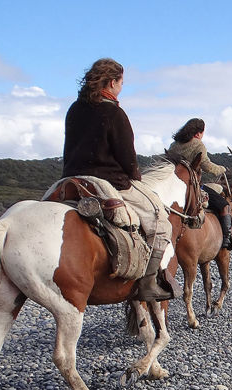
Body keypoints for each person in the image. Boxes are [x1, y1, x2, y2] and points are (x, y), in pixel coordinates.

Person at [62, 58, 181, 302]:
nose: (121, 87)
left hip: (71, 179)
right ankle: (148, 283)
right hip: (109, 180)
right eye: (121, 83)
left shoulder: (74, 109)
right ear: (112, 82)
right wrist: (135, 178)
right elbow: (127, 158)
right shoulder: (114, 112)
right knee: (161, 221)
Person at [166, 118, 232, 250]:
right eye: (203, 132)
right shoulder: (198, 144)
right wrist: (222, 169)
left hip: (171, 184)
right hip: (191, 185)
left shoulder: (174, 145)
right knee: (224, 205)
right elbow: (206, 165)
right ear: (198, 133)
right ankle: (226, 240)